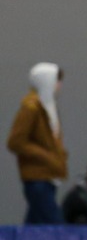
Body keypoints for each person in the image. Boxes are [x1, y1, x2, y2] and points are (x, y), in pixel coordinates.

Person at [9, 63, 65, 224]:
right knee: (54, 222)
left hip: (49, 175)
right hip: (37, 175)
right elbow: (15, 142)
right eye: (56, 81)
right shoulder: (31, 108)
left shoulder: (49, 108)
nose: (59, 86)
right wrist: (45, 155)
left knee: (34, 225)